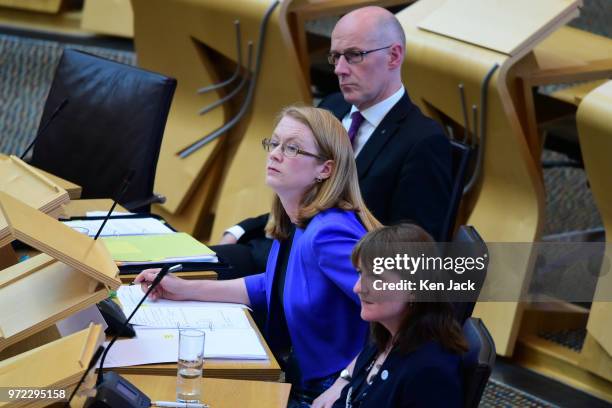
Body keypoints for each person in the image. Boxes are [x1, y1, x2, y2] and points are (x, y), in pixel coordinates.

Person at [135, 106, 381, 405]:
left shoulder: (329, 233)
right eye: (274, 143)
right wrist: (184, 288)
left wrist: (345, 382)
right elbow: (271, 285)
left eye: (292, 148)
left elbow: (402, 313)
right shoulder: (297, 221)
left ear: (325, 169)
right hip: (299, 375)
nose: (275, 154)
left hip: (326, 391)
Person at [215, 6, 451, 277]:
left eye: (354, 56)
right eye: (335, 56)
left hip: (327, 279)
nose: (339, 69)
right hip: (275, 252)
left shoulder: (423, 142)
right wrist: (242, 229)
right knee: (175, 269)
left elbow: (413, 255)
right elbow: (303, 199)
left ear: (393, 56)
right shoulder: (333, 106)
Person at [313, 224, 467, 408]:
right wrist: (343, 381)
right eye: (361, 273)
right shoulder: (386, 333)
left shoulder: (429, 371)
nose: (357, 288)